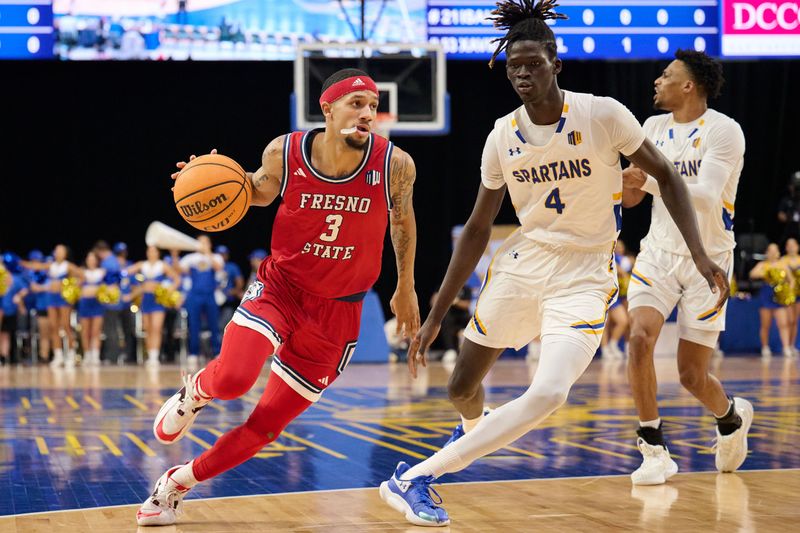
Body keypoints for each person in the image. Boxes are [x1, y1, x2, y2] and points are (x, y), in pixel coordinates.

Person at [377, 1, 728, 526]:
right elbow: (477, 227)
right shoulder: (501, 136)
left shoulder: (602, 114)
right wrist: (435, 314)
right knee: (460, 389)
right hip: (523, 262)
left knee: (548, 391)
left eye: (533, 64)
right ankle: (472, 434)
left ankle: (415, 478)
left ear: (555, 64)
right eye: (514, 66)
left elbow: (670, 179)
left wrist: (700, 255)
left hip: (585, 273)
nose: (522, 73)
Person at [137, 67, 421, 526]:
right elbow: (252, 191)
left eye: (373, 106)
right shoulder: (285, 151)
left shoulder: (395, 164)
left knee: (266, 426)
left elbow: (402, 223)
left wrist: (406, 288)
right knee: (233, 380)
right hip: (281, 289)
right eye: (356, 104)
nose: (367, 113)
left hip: (339, 313)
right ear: (327, 109)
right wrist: (204, 178)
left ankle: (175, 484)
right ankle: (195, 392)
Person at [621, 49, 750, 485]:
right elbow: (634, 197)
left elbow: (707, 195)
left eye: (667, 75)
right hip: (658, 252)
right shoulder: (651, 128)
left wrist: (651, 180)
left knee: (692, 375)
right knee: (639, 338)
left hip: (709, 259)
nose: (658, 81)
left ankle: (730, 418)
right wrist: (621, 185)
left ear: (688, 86)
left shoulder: (724, 131)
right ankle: (653, 448)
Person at [173, 236, 224, 369]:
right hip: (194, 295)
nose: (202, 244)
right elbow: (179, 269)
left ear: (209, 244)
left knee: (214, 325)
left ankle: (217, 352)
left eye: (205, 242)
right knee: (194, 325)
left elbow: (218, 268)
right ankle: (193, 353)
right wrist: (174, 255)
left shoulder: (216, 257)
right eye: (200, 242)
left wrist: (207, 253)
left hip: (209, 295)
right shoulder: (191, 258)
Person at [127, 246, 181, 367]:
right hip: (146, 299)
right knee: (147, 328)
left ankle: (155, 356)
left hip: (158, 300)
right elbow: (126, 272)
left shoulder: (162, 265)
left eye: (154, 251)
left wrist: (168, 290)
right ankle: (150, 354)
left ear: (158, 253)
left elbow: (177, 279)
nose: (151, 253)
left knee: (157, 328)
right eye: (149, 251)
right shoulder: (142, 264)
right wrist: (135, 286)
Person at [750, 243, 795, 357]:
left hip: (779, 295)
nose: (773, 252)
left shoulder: (783, 264)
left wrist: (787, 292)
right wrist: (766, 272)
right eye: (770, 250)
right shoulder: (763, 264)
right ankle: (765, 347)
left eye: (775, 250)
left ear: (778, 252)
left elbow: (791, 280)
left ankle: (786, 347)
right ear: (767, 253)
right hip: (766, 293)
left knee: (783, 323)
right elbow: (752, 274)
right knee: (766, 324)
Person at [601, 239, 632, 359]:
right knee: (606, 324)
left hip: (617, 296)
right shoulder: (605, 256)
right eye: (616, 246)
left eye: (620, 246)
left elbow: (626, 271)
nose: (618, 248)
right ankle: (605, 350)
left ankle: (612, 345)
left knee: (623, 321)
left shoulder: (624, 260)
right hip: (604, 293)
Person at [76, 251, 107, 367]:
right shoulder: (81, 273)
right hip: (85, 303)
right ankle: (87, 355)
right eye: (89, 258)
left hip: (97, 304)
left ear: (97, 260)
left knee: (96, 331)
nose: (91, 261)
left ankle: (95, 356)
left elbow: (108, 286)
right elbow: (76, 288)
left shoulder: (102, 272)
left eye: (93, 258)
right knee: (85, 331)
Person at [215, 244, 244, 330]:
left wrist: (233, 291)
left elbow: (240, 282)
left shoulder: (232, 267)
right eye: (220, 254)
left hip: (227, 302)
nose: (222, 256)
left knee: (224, 326)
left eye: (224, 254)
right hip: (213, 301)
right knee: (213, 327)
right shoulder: (212, 266)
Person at [783, 237, 800, 356]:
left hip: (798, 293)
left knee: (795, 320)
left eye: (793, 244)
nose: (791, 247)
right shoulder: (783, 260)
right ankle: (786, 345)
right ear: (786, 247)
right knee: (789, 320)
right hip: (787, 293)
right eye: (789, 245)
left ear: (797, 247)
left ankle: (792, 345)